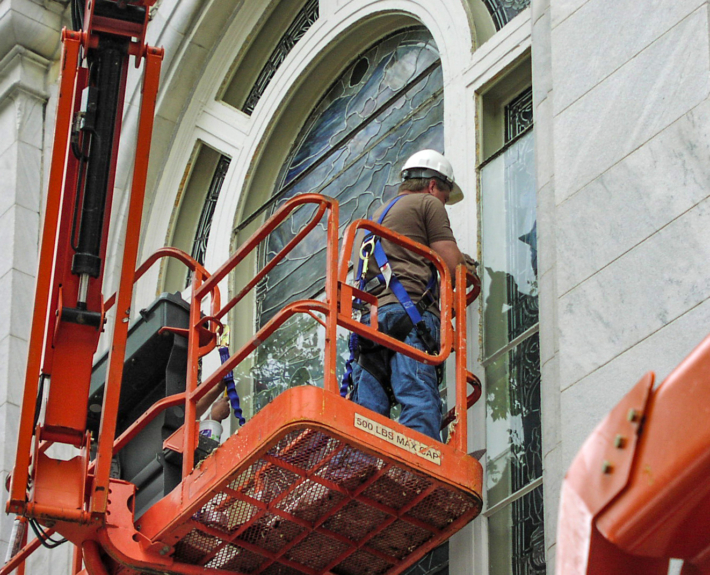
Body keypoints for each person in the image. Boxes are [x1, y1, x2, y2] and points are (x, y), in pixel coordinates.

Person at [348, 150, 477, 442]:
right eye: (444, 196)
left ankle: (362, 462)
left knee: (368, 406)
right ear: (433, 185)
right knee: (416, 391)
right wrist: (466, 266)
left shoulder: (373, 220)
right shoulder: (427, 204)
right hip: (410, 314)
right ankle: (420, 467)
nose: (443, 202)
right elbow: (451, 263)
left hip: (368, 322)